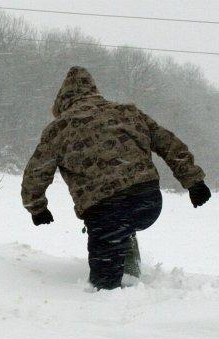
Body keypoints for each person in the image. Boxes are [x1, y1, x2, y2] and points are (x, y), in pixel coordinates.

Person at [21, 66, 211, 290]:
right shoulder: (127, 112)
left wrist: (37, 207)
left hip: (105, 209)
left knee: (105, 286)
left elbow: (36, 173)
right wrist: (194, 182)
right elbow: (168, 143)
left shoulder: (59, 128)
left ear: (62, 101)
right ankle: (132, 278)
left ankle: (117, 302)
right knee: (122, 228)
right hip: (147, 200)